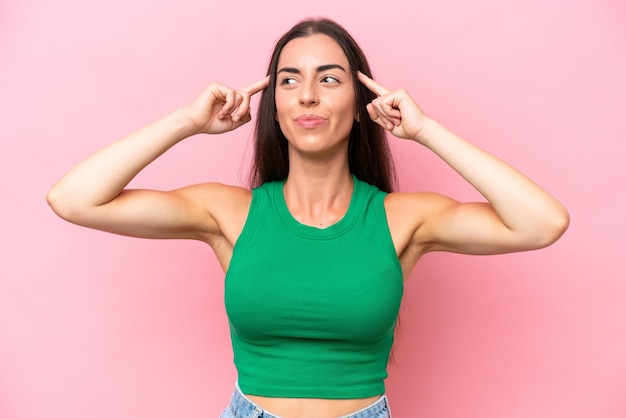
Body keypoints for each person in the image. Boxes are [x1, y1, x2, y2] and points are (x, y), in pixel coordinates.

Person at [47, 17, 569, 418]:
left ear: (363, 98)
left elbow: (542, 222)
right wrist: (187, 121)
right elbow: (73, 199)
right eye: (290, 80)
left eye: (330, 78)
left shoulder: (403, 219)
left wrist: (426, 130)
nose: (309, 96)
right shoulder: (229, 211)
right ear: (272, 104)